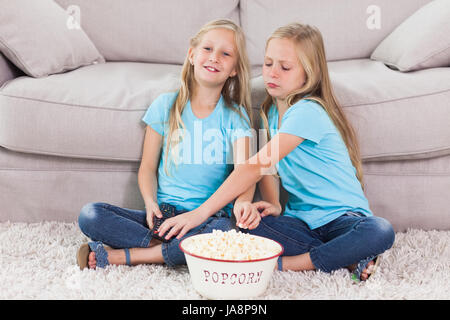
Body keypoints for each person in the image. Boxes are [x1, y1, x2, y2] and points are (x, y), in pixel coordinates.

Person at [157, 23, 395, 282]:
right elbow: (269, 170)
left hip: (343, 221)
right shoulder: (269, 113)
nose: (273, 73)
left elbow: (254, 166)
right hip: (302, 224)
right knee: (239, 227)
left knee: (380, 231)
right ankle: (344, 257)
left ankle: (293, 263)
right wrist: (272, 203)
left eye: (285, 67)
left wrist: (199, 213)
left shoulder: (307, 111)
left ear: (309, 73)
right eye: (268, 63)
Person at [76, 19, 255, 269]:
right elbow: (148, 167)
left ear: (234, 69)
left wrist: (243, 203)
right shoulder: (165, 106)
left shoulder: (236, 116)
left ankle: (128, 256)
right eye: (207, 49)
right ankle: (173, 251)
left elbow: (246, 174)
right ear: (192, 55)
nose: (214, 58)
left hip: (207, 218)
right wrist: (150, 203)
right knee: (90, 215)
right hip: (163, 216)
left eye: (225, 54)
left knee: (225, 233)